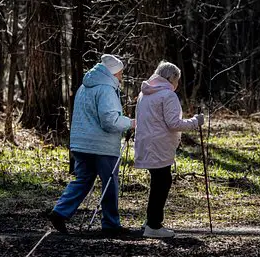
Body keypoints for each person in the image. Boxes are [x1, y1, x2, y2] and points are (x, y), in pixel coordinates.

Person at [48, 54, 135, 235]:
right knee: (109, 183)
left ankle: (60, 211)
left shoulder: (84, 86)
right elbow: (110, 122)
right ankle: (111, 224)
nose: (121, 77)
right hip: (102, 146)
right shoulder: (106, 89)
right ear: (113, 73)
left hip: (81, 143)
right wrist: (131, 123)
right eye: (120, 73)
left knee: (83, 180)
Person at [134, 61, 204, 238]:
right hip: (159, 145)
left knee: (158, 181)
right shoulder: (167, 95)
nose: (177, 84)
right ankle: (153, 225)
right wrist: (195, 121)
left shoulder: (144, 93)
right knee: (162, 182)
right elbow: (174, 124)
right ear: (171, 78)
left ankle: (151, 221)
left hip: (146, 143)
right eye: (177, 80)